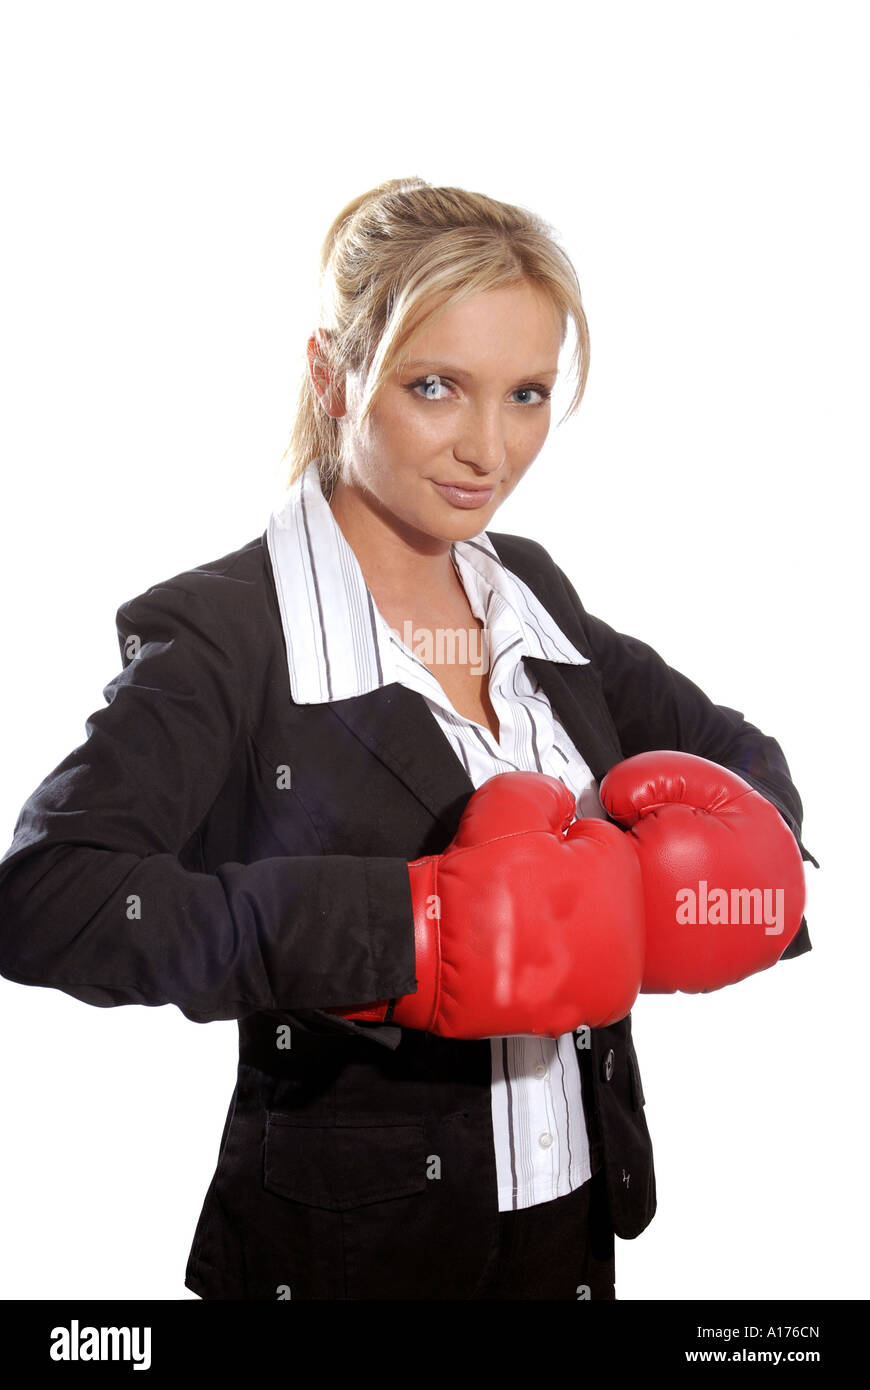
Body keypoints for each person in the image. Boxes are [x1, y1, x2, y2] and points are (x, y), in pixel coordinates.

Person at [0, 176, 816, 1301]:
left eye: (527, 394)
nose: (489, 447)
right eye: (436, 387)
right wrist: (412, 934)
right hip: (349, 1263)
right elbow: (51, 897)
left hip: (575, 1238)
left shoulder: (527, 589)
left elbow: (742, 764)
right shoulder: (230, 633)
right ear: (334, 377)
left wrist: (701, 879)